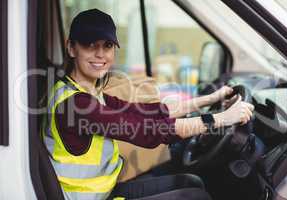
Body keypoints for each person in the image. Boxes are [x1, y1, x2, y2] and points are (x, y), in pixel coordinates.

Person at [42, 9, 254, 200]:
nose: (100, 54)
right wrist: (221, 118)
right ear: (71, 48)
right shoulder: (76, 105)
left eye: (107, 46)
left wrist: (211, 99)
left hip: (105, 191)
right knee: (195, 196)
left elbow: (149, 112)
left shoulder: (88, 93)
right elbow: (150, 130)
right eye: (90, 45)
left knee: (192, 183)